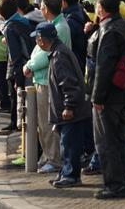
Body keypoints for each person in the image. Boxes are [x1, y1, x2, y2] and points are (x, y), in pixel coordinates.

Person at [31, 23, 90, 188]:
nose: (36, 42)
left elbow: (68, 84)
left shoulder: (59, 56)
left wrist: (68, 107)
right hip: (71, 109)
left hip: (71, 111)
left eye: (36, 38)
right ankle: (65, 173)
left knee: (70, 145)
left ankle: (71, 176)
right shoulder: (59, 51)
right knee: (66, 144)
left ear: (42, 40)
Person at [92, 0, 125, 199]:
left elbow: (103, 67)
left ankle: (114, 185)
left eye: (97, 5)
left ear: (101, 8)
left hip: (108, 95)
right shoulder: (123, 25)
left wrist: (97, 98)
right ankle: (122, 182)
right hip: (122, 90)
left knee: (106, 142)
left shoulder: (108, 31)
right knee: (117, 139)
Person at [23, 0, 71, 172]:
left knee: (47, 122)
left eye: (42, 7)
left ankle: (54, 159)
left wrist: (29, 65)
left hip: (47, 79)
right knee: (43, 122)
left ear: (46, 9)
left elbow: (46, 53)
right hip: (43, 78)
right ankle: (48, 156)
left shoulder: (59, 27)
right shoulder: (56, 24)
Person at [0, 0, 35, 134]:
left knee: (16, 96)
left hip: (18, 67)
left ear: (1, 14)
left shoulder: (9, 28)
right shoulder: (24, 21)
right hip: (29, 63)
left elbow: (14, 54)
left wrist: (16, 76)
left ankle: (15, 124)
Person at [57, 0, 88, 71]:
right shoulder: (80, 11)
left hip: (73, 65)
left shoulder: (69, 22)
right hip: (80, 62)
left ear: (63, 2)